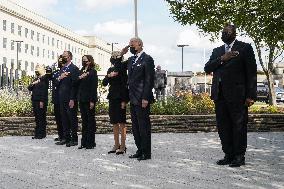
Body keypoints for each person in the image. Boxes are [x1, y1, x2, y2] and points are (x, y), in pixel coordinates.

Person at [204, 24, 257, 167]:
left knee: (238, 126)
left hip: (238, 96)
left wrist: (251, 95)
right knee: (223, 127)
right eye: (222, 32)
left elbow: (251, 73)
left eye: (226, 32)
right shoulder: (217, 51)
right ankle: (228, 154)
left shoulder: (245, 48)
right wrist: (223, 58)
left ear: (234, 33)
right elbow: (207, 68)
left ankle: (239, 156)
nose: (224, 34)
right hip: (219, 95)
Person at [120, 37, 155, 161]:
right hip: (132, 97)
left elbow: (149, 80)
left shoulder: (147, 59)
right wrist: (121, 54)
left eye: (132, 43)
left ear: (140, 44)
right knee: (135, 127)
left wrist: (145, 97)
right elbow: (118, 67)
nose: (130, 45)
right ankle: (139, 150)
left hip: (142, 98)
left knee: (143, 126)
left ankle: (146, 152)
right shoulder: (131, 60)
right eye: (129, 43)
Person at [102, 51, 129, 155]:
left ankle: (123, 146)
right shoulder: (110, 69)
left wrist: (124, 100)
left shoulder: (122, 69)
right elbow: (104, 83)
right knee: (114, 122)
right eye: (112, 56)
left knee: (122, 122)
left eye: (116, 56)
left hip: (120, 97)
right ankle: (116, 144)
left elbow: (125, 86)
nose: (113, 58)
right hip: (112, 97)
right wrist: (109, 75)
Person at [56, 51, 80, 147]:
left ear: (69, 57)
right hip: (62, 98)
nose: (62, 58)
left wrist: (72, 99)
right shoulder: (62, 69)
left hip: (70, 98)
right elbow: (57, 83)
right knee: (64, 119)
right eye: (62, 56)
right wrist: (59, 78)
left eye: (64, 56)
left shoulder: (74, 69)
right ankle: (66, 138)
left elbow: (75, 85)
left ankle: (74, 139)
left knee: (72, 119)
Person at [77, 55, 98, 149]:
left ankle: (91, 142)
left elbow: (94, 87)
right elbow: (75, 82)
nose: (84, 62)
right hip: (81, 99)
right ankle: (84, 142)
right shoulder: (81, 71)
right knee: (84, 121)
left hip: (89, 99)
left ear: (90, 61)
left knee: (90, 121)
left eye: (86, 60)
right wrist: (80, 77)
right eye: (83, 60)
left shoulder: (93, 72)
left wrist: (92, 101)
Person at [28, 64, 49, 139]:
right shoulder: (36, 79)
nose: (36, 71)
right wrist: (33, 83)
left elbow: (44, 91)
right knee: (37, 118)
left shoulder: (45, 78)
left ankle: (41, 134)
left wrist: (42, 101)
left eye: (37, 70)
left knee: (41, 118)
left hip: (41, 101)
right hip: (34, 100)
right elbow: (29, 88)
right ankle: (37, 133)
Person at [51, 55, 66, 142]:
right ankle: (60, 135)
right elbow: (54, 82)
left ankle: (65, 136)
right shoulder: (56, 72)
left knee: (64, 118)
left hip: (63, 98)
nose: (60, 62)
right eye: (59, 61)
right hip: (56, 98)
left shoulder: (66, 72)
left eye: (62, 61)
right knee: (58, 118)